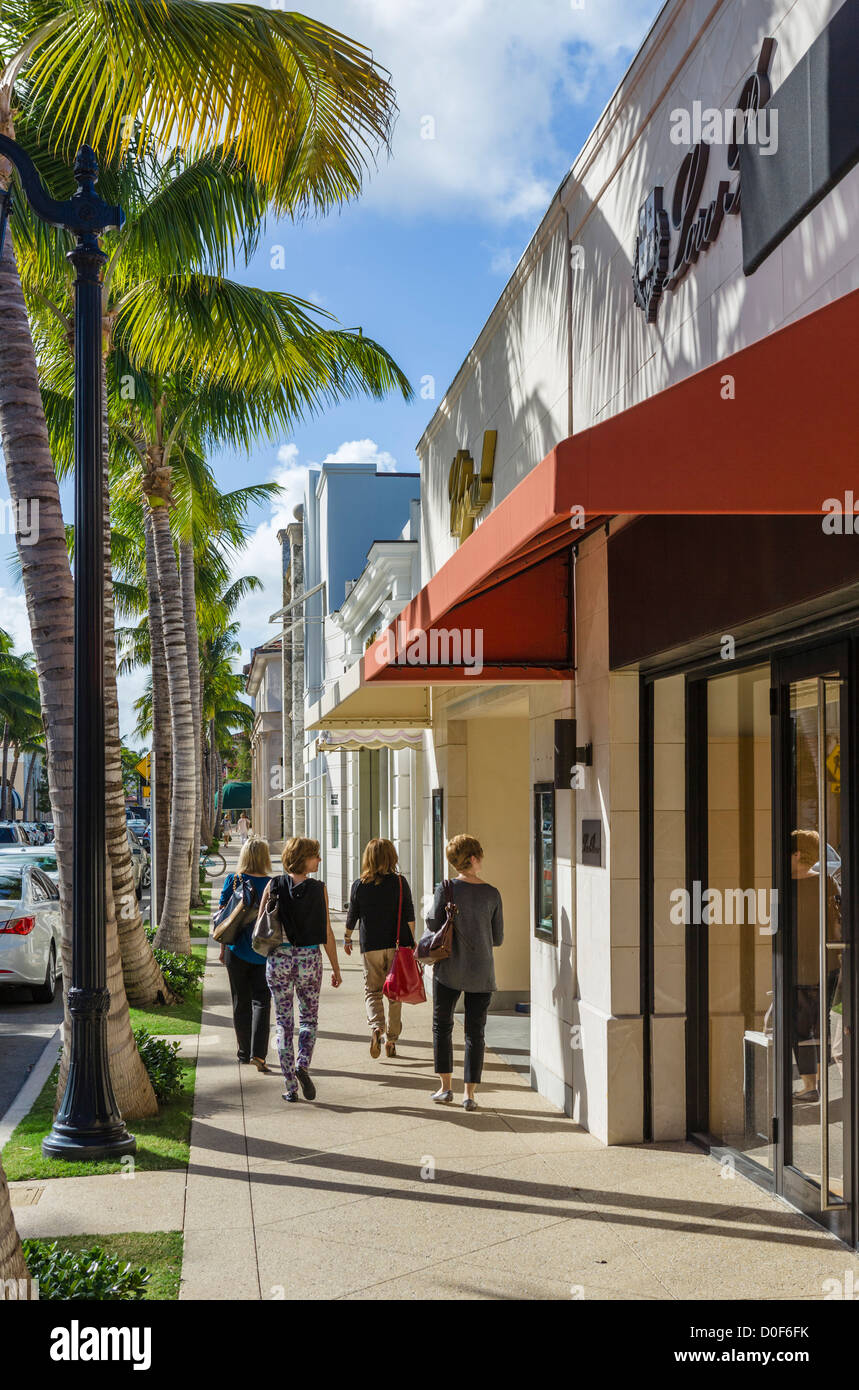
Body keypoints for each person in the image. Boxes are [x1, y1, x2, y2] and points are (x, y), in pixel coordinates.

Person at [258, 837, 342, 1103]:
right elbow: (327, 931)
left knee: (283, 1023)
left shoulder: (274, 885)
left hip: (279, 959)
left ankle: (290, 1086)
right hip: (308, 959)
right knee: (308, 1019)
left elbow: (261, 924)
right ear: (304, 858)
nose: (318, 860)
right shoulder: (319, 889)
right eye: (315, 856)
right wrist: (336, 968)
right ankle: (302, 1063)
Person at [424, 833, 503, 1112]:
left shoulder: (445, 889)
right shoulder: (492, 893)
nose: (481, 859)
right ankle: (470, 1094)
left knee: (442, 1027)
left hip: (448, 969)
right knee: (475, 1033)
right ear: (472, 858)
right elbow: (498, 938)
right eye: (479, 855)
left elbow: (434, 924)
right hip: (481, 971)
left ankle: (445, 1088)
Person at [344, 838, 416, 1059]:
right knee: (395, 994)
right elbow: (409, 917)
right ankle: (391, 1040)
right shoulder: (401, 883)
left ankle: (377, 1027)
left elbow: (352, 915)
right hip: (396, 945)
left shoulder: (359, 885)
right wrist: (411, 942)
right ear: (391, 857)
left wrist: (347, 938)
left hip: (371, 946)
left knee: (372, 991)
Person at [217, 838, 275, 1072]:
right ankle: (259, 1055)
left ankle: (243, 1053)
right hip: (263, 952)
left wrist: (222, 949)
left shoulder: (234, 880)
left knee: (240, 1002)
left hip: (236, 950)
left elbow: (223, 916)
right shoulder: (273, 883)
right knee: (262, 1001)